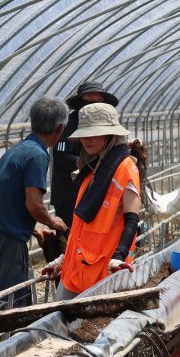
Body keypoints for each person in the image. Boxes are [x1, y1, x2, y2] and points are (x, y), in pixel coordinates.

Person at [42, 103, 141, 299]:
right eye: (84, 134)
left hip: (102, 273)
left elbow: (131, 221)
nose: (86, 139)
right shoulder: (91, 171)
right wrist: (63, 259)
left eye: (94, 133)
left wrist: (118, 257)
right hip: (77, 270)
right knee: (57, 321)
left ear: (110, 135)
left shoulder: (125, 169)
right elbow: (81, 228)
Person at [0, 96, 70, 307]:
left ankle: (3, 338)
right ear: (60, 129)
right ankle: (10, 340)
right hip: (10, 242)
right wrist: (52, 221)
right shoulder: (37, 155)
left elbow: (6, 196)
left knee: (3, 300)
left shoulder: (17, 150)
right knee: (15, 305)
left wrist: (33, 228)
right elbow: (33, 204)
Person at [51, 82, 119, 241]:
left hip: (92, 193)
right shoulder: (69, 123)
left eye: (98, 101)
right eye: (89, 101)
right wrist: (95, 165)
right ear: (80, 101)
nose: (94, 105)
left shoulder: (105, 124)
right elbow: (62, 158)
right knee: (70, 238)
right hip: (69, 194)